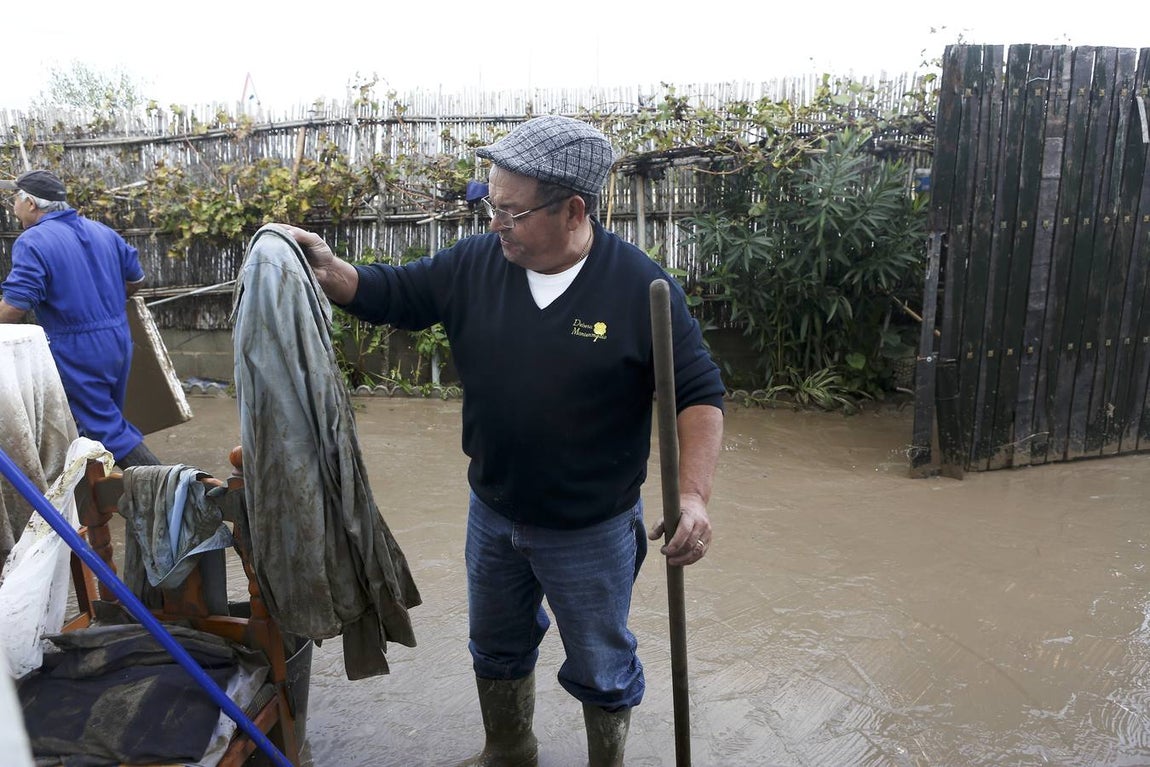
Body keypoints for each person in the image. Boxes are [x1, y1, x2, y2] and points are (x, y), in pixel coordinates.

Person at [283, 115, 725, 766]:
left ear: (573, 209)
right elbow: (394, 293)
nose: (495, 224)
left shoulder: (638, 287)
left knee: (601, 660)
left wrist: (692, 496)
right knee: (494, 644)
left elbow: (699, 393)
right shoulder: (475, 265)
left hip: (592, 528)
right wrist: (331, 270)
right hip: (493, 514)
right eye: (491, 205)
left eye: (512, 213)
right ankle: (510, 749)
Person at [0, 170, 160, 468]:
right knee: (94, 426)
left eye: (15, 200)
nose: (12, 208)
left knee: (107, 430)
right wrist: (105, 300)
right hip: (117, 340)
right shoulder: (103, 232)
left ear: (31, 203)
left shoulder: (33, 241)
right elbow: (135, 279)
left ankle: (180, 493)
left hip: (76, 348)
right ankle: (92, 502)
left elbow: (15, 306)